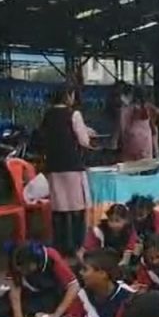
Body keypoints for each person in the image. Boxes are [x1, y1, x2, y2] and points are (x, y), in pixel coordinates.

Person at [41, 84, 92, 257]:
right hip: (72, 166)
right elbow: (84, 141)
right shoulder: (74, 114)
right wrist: (87, 133)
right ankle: (78, 245)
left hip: (54, 167)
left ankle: (60, 245)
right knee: (77, 207)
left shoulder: (47, 115)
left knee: (59, 207)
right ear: (68, 96)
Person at [0, 242, 79, 317]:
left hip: (51, 295)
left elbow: (73, 286)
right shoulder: (15, 257)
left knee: (35, 316)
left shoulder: (50, 256)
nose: (23, 272)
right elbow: (15, 288)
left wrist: (55, 315)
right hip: (29, 293)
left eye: (25, 269)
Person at [121, 88, 159, 161]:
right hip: (146, 137)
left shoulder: (129, 108)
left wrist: (123, 139)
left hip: (132, 138)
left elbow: (123, 125)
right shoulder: (148, 107)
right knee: (147, 161)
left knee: (131, 162)